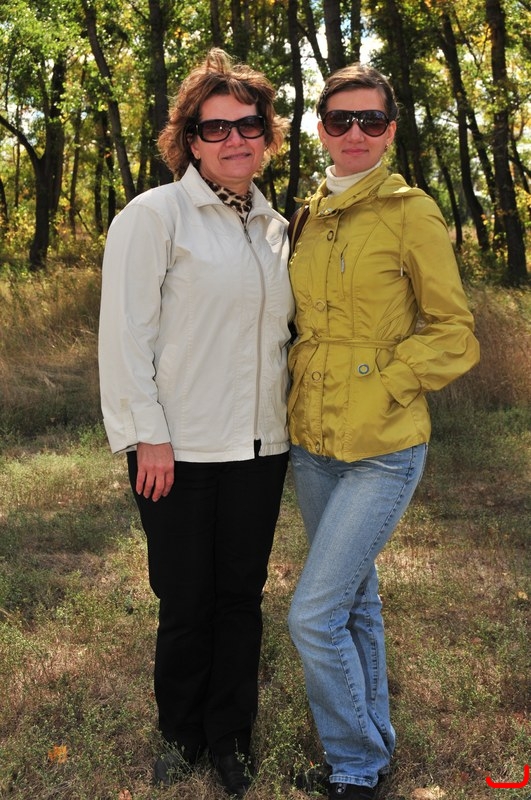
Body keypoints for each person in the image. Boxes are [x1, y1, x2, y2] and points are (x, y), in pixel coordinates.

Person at [98, 48, 293, 798]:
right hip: (174, 450)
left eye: (248, 124)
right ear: (190, 139)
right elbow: (125, 337)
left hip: (260, 448)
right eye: (216, 128)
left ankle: (230, 737)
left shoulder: (276, 228)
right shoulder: (155, 216)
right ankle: (179, 735)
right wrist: (147, 435)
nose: (234, 139)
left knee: (241, 597)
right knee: (186, 601)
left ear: (267, 135)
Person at [286, 63, 480, 800]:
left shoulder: (411, 211)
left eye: (371, 120)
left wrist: (389, 380)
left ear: (391, 130)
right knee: (353, 603)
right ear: (321, 130)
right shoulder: (305, 216)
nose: (355, 133)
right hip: (312, 443)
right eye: (341, 119)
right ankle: (371, 755)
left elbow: (454, 331)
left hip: (384, 447)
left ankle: (353, 760)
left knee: (312, 616)